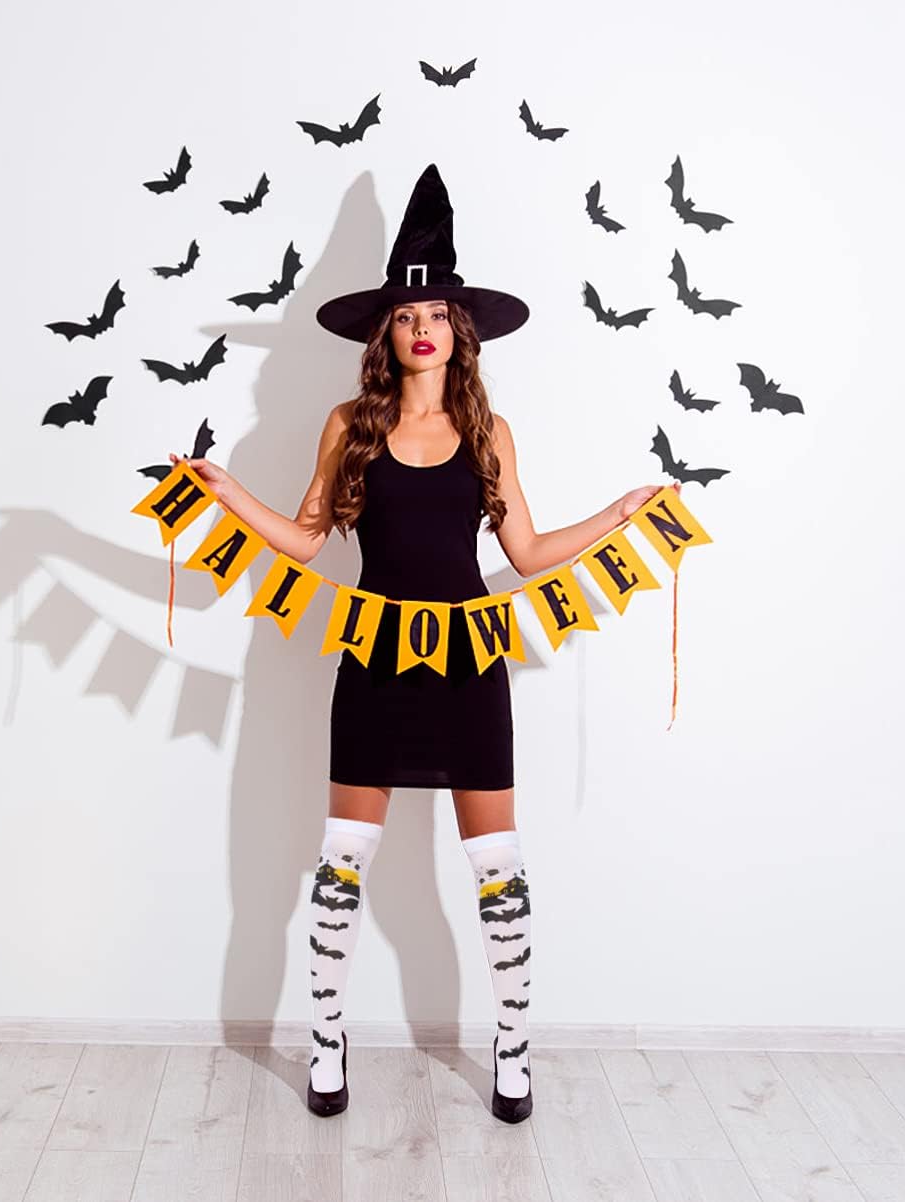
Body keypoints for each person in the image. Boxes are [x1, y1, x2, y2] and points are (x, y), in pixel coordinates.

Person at [173, 164, 675, 1124]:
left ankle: (514, 1048)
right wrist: (229, 496)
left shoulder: (489, 431)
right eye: (405, 316)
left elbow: (527, 554)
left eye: (436, 314)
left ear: (459, 329)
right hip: (373, 662)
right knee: (339, 862)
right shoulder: (348, 425)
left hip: (470, 665)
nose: (421, 329)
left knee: (496, 870)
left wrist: (616, 515)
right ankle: (327, 1043)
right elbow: (306, 539)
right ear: (386, 333)